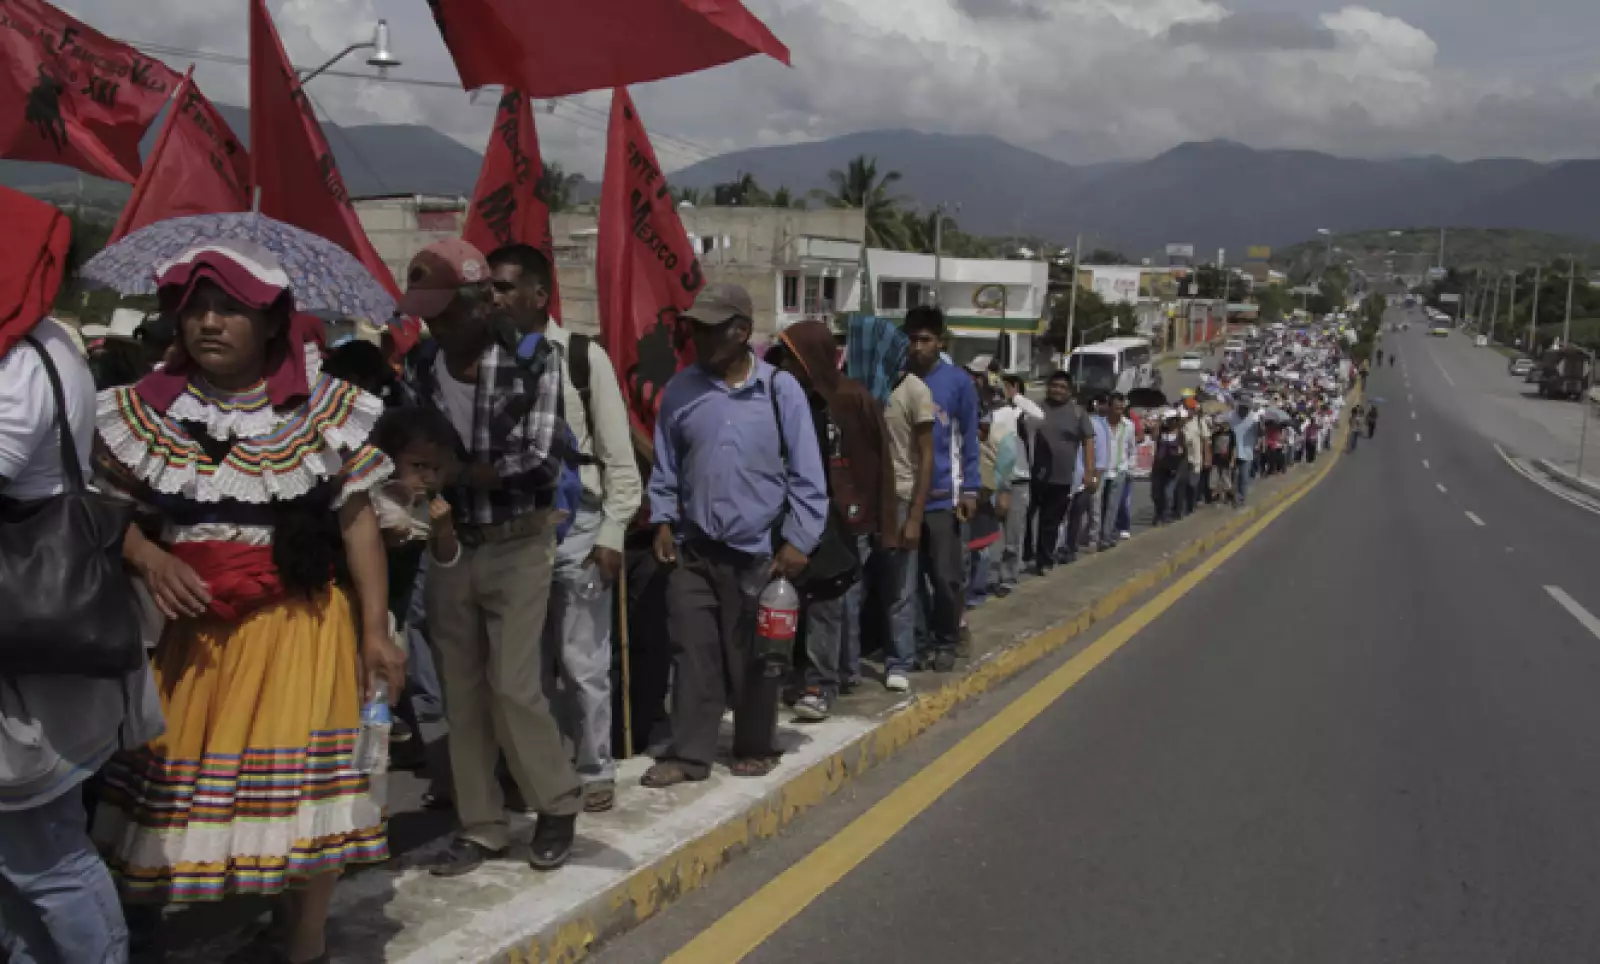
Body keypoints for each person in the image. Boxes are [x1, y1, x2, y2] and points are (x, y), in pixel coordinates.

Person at [90, 241, 403, 964]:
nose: (208, 322)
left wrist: (375, 634)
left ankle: (305, 941)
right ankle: (145, 943)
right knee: (175, 800)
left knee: (306, 796)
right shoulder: (144, 413)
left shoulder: (321, 409)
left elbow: (359, 526)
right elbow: (103, 516)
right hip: (192, 634)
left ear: (271, 323)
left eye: (230, 308)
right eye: (196, 307)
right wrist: (149, 554)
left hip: (299, 627)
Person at [0, 191, 164, 964]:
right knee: (18, 861)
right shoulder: (38, 343)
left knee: (41, 849)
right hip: (32, 625)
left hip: (27, 627)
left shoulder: (22, 362)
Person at [396, 238, 584, 876]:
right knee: (461, 691)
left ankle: (556, 803)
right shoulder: (421, 365)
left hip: (520, 542)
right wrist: (416, 474)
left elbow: (540, 462)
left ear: (481, 302)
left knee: (513, 685)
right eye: (426, 313)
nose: (435, 325)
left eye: (447, 312)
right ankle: (482, 826)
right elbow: (411, 445)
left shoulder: (535, 362)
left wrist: (459, 473)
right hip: (451, 544)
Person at [642, 285, 828, 786]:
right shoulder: (682, 390)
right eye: (695, 328)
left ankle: (754, 743)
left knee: (754, 656)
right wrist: (662, 517)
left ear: (741, 332)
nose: (698, 338)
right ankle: (690, 753)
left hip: (760, 552)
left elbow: (809, 475)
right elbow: (666, 466)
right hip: (695, 546)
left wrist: (799, 540)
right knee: (692, 649)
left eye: (710, 329)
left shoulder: (778, 390)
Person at [486, 244, 642, 814]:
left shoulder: (580, 357)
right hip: (513, 528)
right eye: (490, 288)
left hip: (579, 527)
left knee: (582, 661)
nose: (495, 298)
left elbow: (617, 454)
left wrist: (613, 533)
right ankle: (539, 768)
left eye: (504, 287)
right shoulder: (489, 356)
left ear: (537, 294)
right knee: (524, 666)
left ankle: (595, 766)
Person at [772, 320, 895, 722]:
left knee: (833, 602)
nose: (786, 365)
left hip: (845, 519)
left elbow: (878, 462)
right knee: (794, 604)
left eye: (793, 356)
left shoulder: (851, 398)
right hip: (795, 517)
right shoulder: (786, 399)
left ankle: (825, 682)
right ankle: (810, 676)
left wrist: (878, 518)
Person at [901, 307, 979, 672]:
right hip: (902, 496)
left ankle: (948, 640)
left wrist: (970, 490)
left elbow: (969, 439)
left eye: (925, 339)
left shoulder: (958, 383)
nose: (917, 347)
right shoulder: (896, 378)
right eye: (912, 339)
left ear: (939, 342)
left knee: (945, 577)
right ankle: (917, 643)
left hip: (943, 498)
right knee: (909, 582)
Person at [879, 328, 935, 692]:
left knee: (901, 586)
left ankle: (900, 658)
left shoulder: (915, 391)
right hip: (869, 500)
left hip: (900, 498)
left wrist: (915, 515)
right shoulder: (869, 387)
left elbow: (926, 456)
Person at [1031, 371, 1096, 572]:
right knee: (1027, 517)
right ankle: (1025, 553)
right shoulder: (1036, 409)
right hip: (1034, 475)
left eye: (1062, 387)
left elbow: (1088, 441)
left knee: (1050, 521)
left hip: (1062, 477)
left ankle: (1044, 560)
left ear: (1069, 390)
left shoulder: (1078, 413)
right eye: (1054, 386)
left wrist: (1089, 472)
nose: (1057, 390)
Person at [992, 373, 1040, 591]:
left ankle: (1007, 579)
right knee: (981, 540)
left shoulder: (1023, 414)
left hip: (1018, 481)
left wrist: (1016, 397)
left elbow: (1040, 416)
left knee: (1013, 536)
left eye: (1009, 386)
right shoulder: (990, 412)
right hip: (992, 480)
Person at [1096, 393, 1136, 550]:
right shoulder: (1100, 424)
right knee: (1098, 507)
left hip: (1119, 471)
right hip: (1101, 471)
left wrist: (1129, 469)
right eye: (1116, 406)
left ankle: (1105, 538)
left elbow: (1132, 449)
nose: (1119, 409)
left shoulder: (1129, 426)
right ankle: (1098, 534)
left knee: (1113, 506)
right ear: (1109, 407)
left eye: (1122, 406)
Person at [1229, 401, 1262, 506]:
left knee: (1243, 477)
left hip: (1247, 453)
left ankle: (1241, 498)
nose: (1243, 410)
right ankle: (1234, 495)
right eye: (1242, 408)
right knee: (1233, 477)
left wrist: (1259, 442)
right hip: (1233, 452)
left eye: (1246, 408)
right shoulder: (1232, 416)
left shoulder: (1254, 418)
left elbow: (1260, 433)